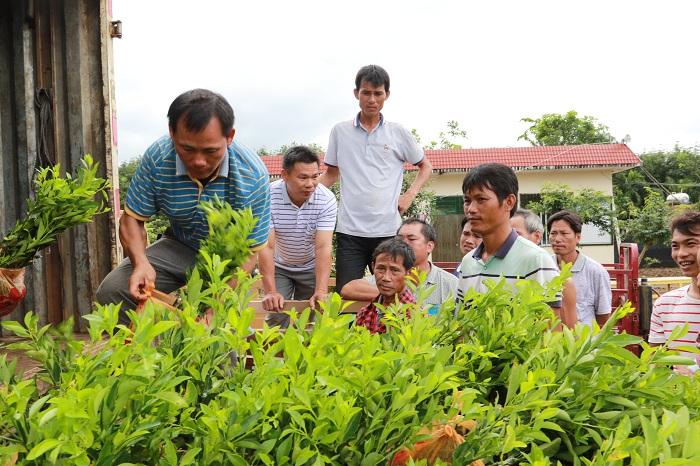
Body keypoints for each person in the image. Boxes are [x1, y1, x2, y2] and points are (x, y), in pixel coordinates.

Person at [96, 89, 270, 323]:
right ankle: (152, 355)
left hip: (228, 262)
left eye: (210, 151)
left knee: (218, 330)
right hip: (179, 245)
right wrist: (140, 263)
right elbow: (132, 219)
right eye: (187, 149)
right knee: (114, 290)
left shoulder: (253, 175)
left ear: (229, 137)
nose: (198, 161)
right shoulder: (158, 158)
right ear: (171, 133)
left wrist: (218, 305)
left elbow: (249, 252)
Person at [320, 65, 433, 292]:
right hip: (349, 231)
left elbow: (425, 166)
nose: (372, 99)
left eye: (378, 93)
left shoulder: (397, 132)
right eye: (366, 93)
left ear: (386, 95)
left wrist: (409, 195)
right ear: (356, 94)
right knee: (346, 294)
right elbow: (331, 173)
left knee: (395, 295)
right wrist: (301, 192)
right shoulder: (340, 132)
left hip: (388, 232)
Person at [456, 163, 562, 318]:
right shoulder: (468, 262)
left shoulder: (536, 260)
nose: (471, 209)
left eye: (481, 199)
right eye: (467, 200)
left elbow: (550, 333)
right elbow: (461, 327)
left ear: (509, 202)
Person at [258, 146, 337, 323]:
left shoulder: (326, 199)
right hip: (280, 266)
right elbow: (267, 246)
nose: (310, 184)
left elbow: (323, 246)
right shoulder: (268, 196)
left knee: (314, 317)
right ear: (284, 175)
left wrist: (321, 290)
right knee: (277, 314)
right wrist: (270, 291)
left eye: (315, 177)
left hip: (310, 267)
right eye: (303, 177)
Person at [341, 218, 458, 312]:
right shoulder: (387, 277)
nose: (404, 243)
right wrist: (391, 294)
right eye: (399, 239)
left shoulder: (449, 283)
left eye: (411, 239)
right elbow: (348, 289)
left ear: (429, 246)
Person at [511, 208, 578, 328]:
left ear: (537, 237)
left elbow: (568, 332)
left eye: (516, 235)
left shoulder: (558, 279)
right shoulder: (504, 272)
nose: (509, 240)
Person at [649, 211, 700, 359]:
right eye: (675, 246)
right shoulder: (664, 305)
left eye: (691, 244)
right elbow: (655, 365)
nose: (681, 254)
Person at [547, 210, 611, 327]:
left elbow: (603, 318)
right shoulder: (544, 267)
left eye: (564, 233)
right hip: (550, 342)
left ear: (578, 237)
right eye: (553, 233)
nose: (557, 239)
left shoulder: (596, 272)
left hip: (583, 342)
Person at [355, 238, 417, 334]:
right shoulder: (364, 313)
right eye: (381, 268)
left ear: (408, 273)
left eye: (394, 270)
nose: (386, 277)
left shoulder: (415, 317)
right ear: (373, 267)